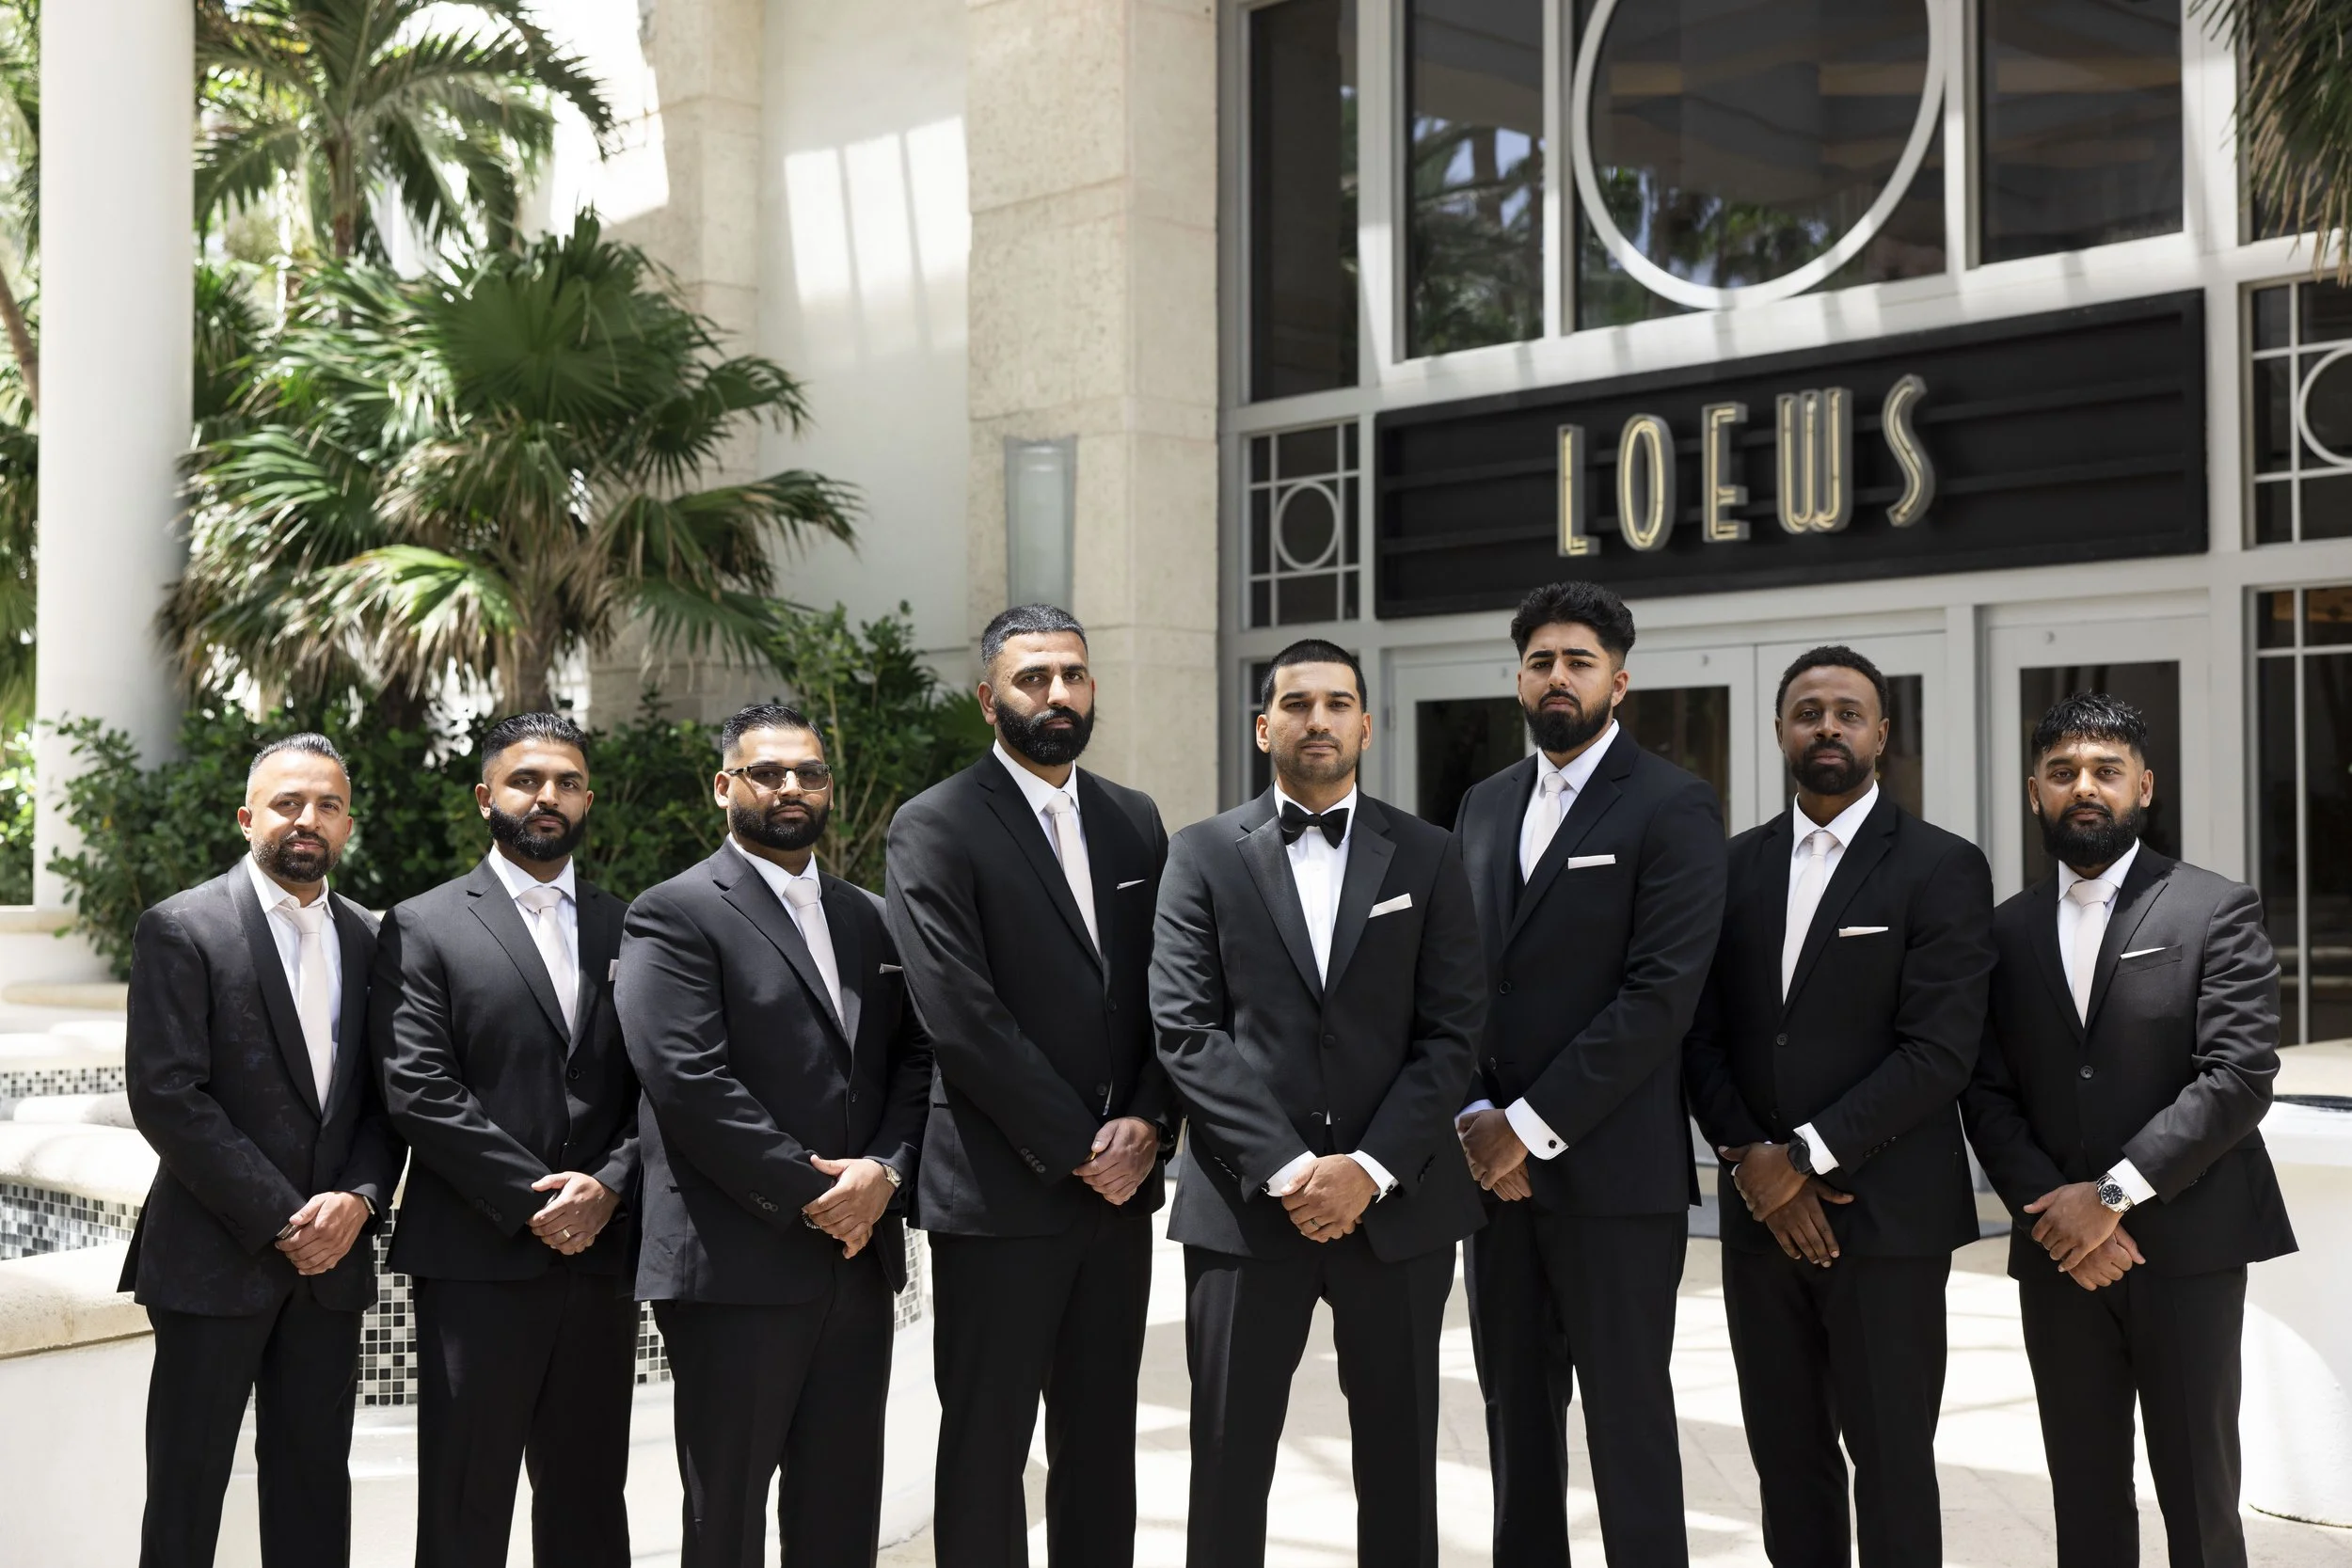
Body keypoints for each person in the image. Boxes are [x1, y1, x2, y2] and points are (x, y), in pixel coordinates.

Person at [1151, 638, 1487, 1568]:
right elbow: (1185, 1029)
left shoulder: (1428, 852)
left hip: (1400, 1203)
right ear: (1265, 727)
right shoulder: (1202, 853)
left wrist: (1368, 1169)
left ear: (1366, 725)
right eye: (1296, 703)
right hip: (1245, 1206)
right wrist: (1296, 1170)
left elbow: (1452, 1032)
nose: (1317, 719)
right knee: (1227, 1454)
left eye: (1337, 702)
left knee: (1400, 1458)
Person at [1963, 693, 2296, 1568]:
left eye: (2106, 771)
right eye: (2063, 771)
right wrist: (2055, 1215)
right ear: (2033, 789)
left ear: (2144, 787)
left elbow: (2238, 1077)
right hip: (2058, 1256)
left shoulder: (2215, 909)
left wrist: (2108, 1197)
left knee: (2197, 1493)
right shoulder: (2003, 930)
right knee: (2082, 1493)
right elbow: (1986, 1092)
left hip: (2184, 1248)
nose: (2084, 787)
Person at [1683, 646, 1994, 1568]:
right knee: (1786, 1459)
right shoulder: (1728, 870)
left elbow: (1938, 1050)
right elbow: (1695, 1036)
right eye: (1808, 710)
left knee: (1892, 1459)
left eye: (1847, 712)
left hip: (1888, 1219)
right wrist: (1751, 1160)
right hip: (1758, 1219)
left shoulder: (1941, 867)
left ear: (1881, 734)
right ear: (1779, 729)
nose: (1827, 726)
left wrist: (1803, 1158)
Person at [883, 604, 1171, 1567]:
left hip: (1118, 1194)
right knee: (986, 1445)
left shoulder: (1134, 819)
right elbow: (959, 1014)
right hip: (1002, 1191)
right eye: (1033, 677)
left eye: (1072, 675)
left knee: (1100, 1441)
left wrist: (1146, 1120)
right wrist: (1080, 1144)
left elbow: (1168, 992)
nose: (1056, 693)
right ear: (987, 698)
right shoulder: (934, 824)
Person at [616, 704, 931, 1568]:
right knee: (728, 1517)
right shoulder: (672, 912)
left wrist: (887, 1172)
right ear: (725, 787)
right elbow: (686, 1079)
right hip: (736, 1263)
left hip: (856, 1263)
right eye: (768, 772)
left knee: (840, 1511)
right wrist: (820, 1194)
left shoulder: (869, 917)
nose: (792, 787)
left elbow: (914, 1058)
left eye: (810, 772)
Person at [1450, 582, 1725, 1567]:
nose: (1555, 676)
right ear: (1517, 678)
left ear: (1620, 680)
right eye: (1538, 661)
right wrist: (1479, 1114)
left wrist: (1525, 1123)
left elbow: (1660, 996)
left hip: (1613, 1177)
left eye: (1576, 660)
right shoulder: (1482, 805)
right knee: (1514, 1422)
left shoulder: (1674, 804)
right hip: (1492, 1181)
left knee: (1626, 1421)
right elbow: (1456, 980)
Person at [120, 733, 402, 1568]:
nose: (305, 819)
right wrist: (286, 1218)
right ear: (249, 817)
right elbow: (167, 1096)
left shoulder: (375, 937)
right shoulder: (180, 927)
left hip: (333, 1266)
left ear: (348, 824)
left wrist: (359, 1198)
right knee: (186, 1487)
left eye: (325, 805)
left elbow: (390, 1100)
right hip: (213, 1259)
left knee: (314, 1485)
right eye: (287, 803)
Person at [372, 712, 641, 1568]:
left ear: (589, 799)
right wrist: (542, 1200)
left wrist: (608, 1186)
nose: (547, 797)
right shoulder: (422, 924)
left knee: (592, 1496)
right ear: (487, 796)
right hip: (477, 1257)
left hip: (601, 1257)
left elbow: (660, 1085)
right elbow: (418, 1088)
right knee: (465, 1500)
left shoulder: (631, 925)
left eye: (566, 781)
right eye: (527, 780)